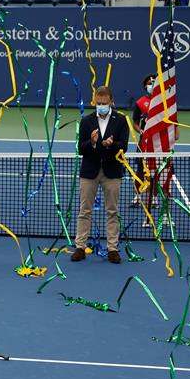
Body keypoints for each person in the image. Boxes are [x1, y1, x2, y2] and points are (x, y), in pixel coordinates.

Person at [72, 86, 129, 264]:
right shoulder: (87, 121)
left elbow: (124, 146)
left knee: (112, 211)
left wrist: (110, 145)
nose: (101, 106)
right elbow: (81, 149)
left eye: (104, 103)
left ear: (111, 101)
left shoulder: (120, 120)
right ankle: (80, 247)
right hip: (90, 172)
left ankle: (112, 249)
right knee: (84, 211)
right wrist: (93, 142)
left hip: (112, 172)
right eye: (98, 103)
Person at [131, 74, 155, 207]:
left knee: (157, 170)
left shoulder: (162, 101)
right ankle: (138, 195)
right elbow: (135, 122)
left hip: (157, 142)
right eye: (149, 83)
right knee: (140, 169)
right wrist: (139, 130)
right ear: (145, 86)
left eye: (153, 82)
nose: (151, 85)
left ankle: (155, 197)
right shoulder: (140, 103)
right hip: (143, 142)